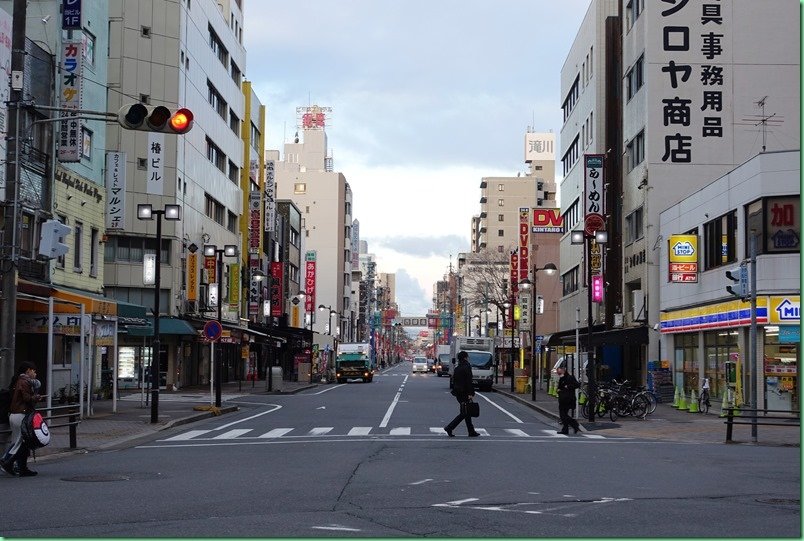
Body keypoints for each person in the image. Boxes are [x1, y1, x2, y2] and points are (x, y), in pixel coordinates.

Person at [1, 361, 43, 476]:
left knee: (18, 441)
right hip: (21, 414)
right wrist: (36, 397)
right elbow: (26, 398)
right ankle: (6, 462)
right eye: (33, 370)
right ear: (28, 370)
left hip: (14, 414)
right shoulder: (24, 381)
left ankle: (21, 467)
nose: (35, 373)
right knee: (21, 442)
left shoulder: (17, 380)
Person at [444, 351, 479, 437]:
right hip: (465, 392)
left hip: (458, 392)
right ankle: (449, 427)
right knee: (464, 413)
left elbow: (454, 380)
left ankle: (471, 431)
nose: (468, 358)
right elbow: (468, 381)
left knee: (466, 411)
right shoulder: (467, 367)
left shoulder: (457, 368)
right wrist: (471, 393)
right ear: (465, 357)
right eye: (467, 356)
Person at [555, 364, 580, 435]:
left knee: (563, 415)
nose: (558, 373)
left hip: (568, 399)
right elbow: (560, 387)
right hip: (563, 399)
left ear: (563, 370)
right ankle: (566, 429)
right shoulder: (562, 378)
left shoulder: (570, 377)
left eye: (559, 371)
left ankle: (574, 424)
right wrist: (559, 390)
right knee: (563, 415)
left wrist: (568, 386)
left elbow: (577, 385)